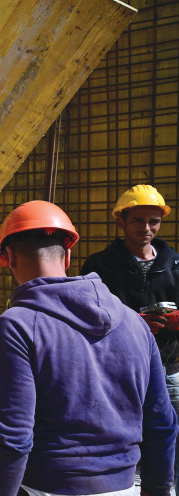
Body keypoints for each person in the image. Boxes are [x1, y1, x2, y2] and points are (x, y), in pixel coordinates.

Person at [0, 200, 177, 495]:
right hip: (123, 485)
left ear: (7, 256)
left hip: (47, 484)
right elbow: (162, 422)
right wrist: (158, 488)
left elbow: (11, 437)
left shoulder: (19, 324)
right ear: (69, 254)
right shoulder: (134, 323)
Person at [80, 184, 179, 488]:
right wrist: (132, 324)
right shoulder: (99, 267)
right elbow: (86, 317)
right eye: (138, 220)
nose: (146, 228)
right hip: (117, 371)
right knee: (115, 436)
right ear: (120, 221)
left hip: (169, 368)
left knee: (170, 441)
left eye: (154, 221)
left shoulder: (175, 265)